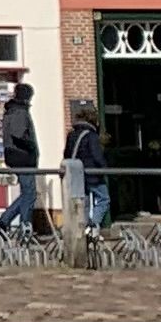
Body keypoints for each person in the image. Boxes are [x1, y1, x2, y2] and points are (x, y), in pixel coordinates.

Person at [0, 78, 46, 237]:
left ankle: (4, 222)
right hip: (22, 157)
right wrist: (31, 147)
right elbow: (18, 135)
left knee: (27, 193)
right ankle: (23, 227)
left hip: (15, 156)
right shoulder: (20, 112)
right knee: (30, 194)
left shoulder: (11, 111)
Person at [65, 99, 109, 231]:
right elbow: (97, 156)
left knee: (84, 202)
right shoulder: (91, 136)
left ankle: (83, 227)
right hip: (92, 175)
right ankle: (93, 225)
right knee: (104, 199)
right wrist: (105, 168)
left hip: (77, 175)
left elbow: (66, 154)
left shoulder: (71, 135)